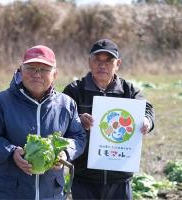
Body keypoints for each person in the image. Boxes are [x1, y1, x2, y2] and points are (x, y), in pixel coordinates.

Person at [0, 45, 87, 199]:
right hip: (9, 193)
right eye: (31, 68)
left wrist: (65, 152)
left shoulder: (66, 104)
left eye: (44, 69)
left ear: (55, 74)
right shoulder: (1, 102)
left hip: (51, 194)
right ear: (21, 71)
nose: (37, 74)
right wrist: (11, 152)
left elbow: (79, 138)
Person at [63, 38, 155, 200]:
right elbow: (60, 119)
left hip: (120, 177)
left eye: (109, 60)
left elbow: (147, 109)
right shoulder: (74, 90)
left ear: (118, 64)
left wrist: (147, 120)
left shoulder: (129, 90)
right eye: (97, 60)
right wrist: (78, 119)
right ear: (89, 62)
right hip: (84, 176)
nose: (102, 65)